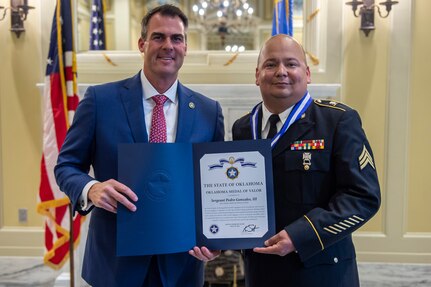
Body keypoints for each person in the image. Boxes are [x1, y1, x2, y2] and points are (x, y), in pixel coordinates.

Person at [55, 4, 223, 287]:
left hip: (182, 264)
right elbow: (66, 166)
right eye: (158, 37)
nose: (168, 46)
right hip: (115, 263)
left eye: (176, 38)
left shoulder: (208, 111)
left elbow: (215, 186)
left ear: (185, 47)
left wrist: (216, 238)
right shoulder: (100, 100)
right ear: (142, 44)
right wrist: (91, 188)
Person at [231, 34, 381, 286]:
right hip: (261, 271)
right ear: (257, 75)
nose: (281, 72)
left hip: (320, 271)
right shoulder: (243, 128)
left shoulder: (338, 121)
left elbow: (363, 197)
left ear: (308, 74)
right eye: (270, 64)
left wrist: (301, 235)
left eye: (291, 64)